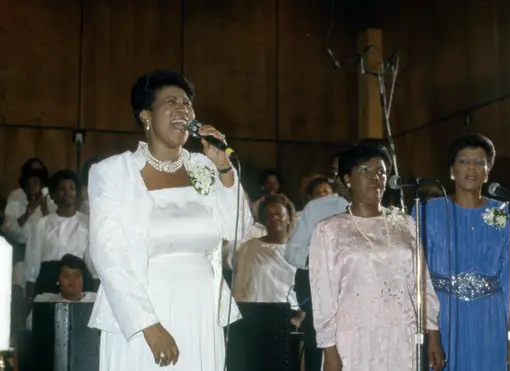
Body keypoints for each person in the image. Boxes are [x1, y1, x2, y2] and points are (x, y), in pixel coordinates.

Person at [87, 69, 252, 371]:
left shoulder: (203, 165)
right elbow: (107, 254)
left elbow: (239, 229)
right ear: (146, 116)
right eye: (171, 101)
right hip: (143, 312)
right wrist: (148, 325)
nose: (183, 109)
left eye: (187, 103)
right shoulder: (113, 172)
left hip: (201, 310)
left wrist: (226, 170)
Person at [309, 144, 444, 371]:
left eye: (381, 171)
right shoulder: (329, 230)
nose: (375, 178)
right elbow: (323, 297)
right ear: (347, 179)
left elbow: (422, 284)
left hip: (402, 334)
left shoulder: (405, 224)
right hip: (353, 339)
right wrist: (329, 350)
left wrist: (433, 333)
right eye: (365, 171)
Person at [415, 133, 510, 370]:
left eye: (479, 162)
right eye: (464, 161)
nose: (472, 168)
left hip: (489, 317)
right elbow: (418, 278)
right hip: (443, 317)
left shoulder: (504, 214)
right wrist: (430, 331)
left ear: (488, 170)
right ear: (451, 170)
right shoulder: (427, 212)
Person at [285, 152, 349, 371]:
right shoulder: (318, 208)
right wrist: (321, 257)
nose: (340, 179)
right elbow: (293, 253)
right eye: (335, 174)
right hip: (323, 301)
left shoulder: (388, 214)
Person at [232, 194, 304, 324]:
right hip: (255, 316)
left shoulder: (302, 251)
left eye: (278, 213)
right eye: (269, 214)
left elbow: (308, 293)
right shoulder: (249, 248)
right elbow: (239, 287)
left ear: (288, 217)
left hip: (290, 317)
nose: (273, 217)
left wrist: (299, 318)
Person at [24, 169, 94, 299]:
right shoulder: (42, 223)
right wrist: (29, 298)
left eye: (72, 188)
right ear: (54, 194)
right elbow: (32, 261)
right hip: (49, 279)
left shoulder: (87, 223)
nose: (67, 192)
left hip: (77, 282)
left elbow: (91, 261)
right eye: (62, 188)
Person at [26, 254, 97, 329]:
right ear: (58, 280)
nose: (72, 281)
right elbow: (30, 326)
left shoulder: (95, 301)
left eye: (77, 276)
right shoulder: (43, 300)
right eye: (66, 276)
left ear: (83, 280)